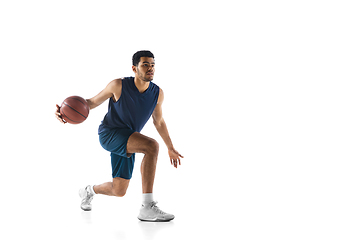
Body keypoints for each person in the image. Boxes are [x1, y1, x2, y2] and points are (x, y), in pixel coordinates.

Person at [55, 50, 183, 222]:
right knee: (151, 146)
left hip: (130, 138)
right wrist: (64, 112)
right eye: (145, 64)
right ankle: (147, 207)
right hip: (110, 134)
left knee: (119, 190)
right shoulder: (118, 85)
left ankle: (88, 191)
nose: (150, 68)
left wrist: (171, 147)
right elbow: (92, 102)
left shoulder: (157, 94)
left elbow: (158, 122)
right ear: (134, 68)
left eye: (152, 65)